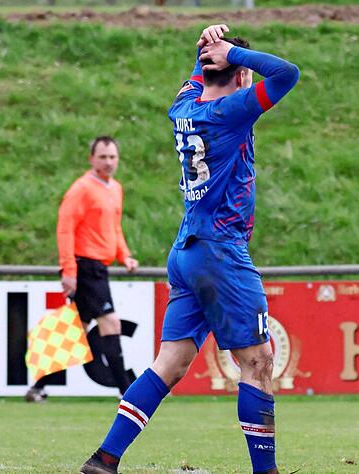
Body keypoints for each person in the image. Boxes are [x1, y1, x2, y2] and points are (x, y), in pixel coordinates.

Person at [81, 24, 299, 474]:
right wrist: (233, 54)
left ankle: (105, 458)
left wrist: (205, 48)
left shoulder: (184, 106)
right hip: (221, 252)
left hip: (187, 252)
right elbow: (287, 74)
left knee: (171, 363)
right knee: (257, 361)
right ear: (240, 74)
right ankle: (267, 472)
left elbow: (197, 78)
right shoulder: (235, 110)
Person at [25, 136, 139, 402]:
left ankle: (38, 387)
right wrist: (68, 270)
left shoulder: (115, 188)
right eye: (102, 157)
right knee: (111, 323)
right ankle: (128, 393)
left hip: (99, 266)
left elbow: (114, 227)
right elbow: (65, 229)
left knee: (74, 330)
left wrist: (125, 256)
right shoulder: (82, 189)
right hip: (86, 266)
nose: (108, 162)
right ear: (91, 159)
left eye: (112, 157)